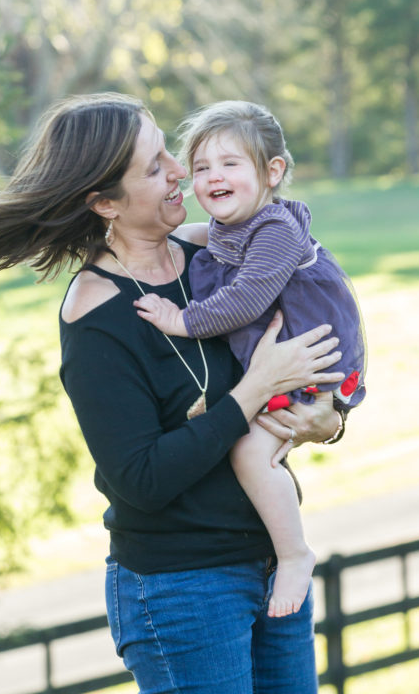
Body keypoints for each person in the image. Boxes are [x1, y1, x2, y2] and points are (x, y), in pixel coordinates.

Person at [0, 92, 347, 694]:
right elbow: (138, 478)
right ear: (104, 200)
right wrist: (250, 394)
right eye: (155, 165)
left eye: (172, 152)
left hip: (270, 566)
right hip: (179, 587)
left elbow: (310, 346)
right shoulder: (95, 317)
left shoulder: (219, 254)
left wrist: (329, 421)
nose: (181, 172)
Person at [134, 100, 366, 618]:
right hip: (286, 358)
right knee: (253, 438)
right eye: (201, 168)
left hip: (309, 355)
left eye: (229, 164)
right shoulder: (232, 228)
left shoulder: (275, 231)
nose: (212, 176)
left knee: (249, 455)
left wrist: (180, 320)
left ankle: (293, 553)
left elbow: (245, 300)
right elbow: (198, 247)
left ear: (273, 172)